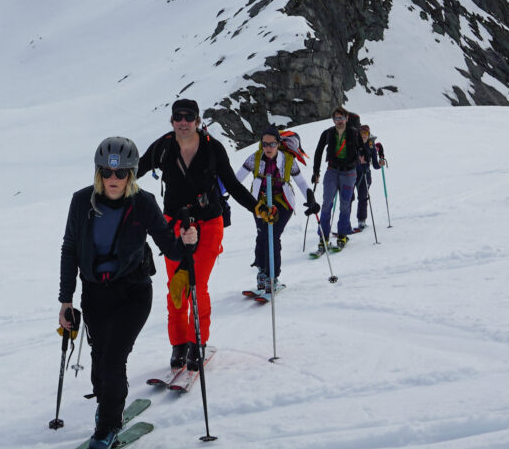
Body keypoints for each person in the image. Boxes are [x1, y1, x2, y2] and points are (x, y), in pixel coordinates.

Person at [58, 136, 198, 449]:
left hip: (133, 293)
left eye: (121, 174)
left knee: (113, 359)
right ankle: (106, 404)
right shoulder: (81, 202)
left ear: (132, 174)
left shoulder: (144, 203)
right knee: (99, 361)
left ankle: (107, 425)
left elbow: (171, 247)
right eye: (107, 172)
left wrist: (188, 240)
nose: (113, 179)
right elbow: (69, 249)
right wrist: (67, 300)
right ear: (98, 172)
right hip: (95, 294)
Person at [136, 98, 260, 373]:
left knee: (196, 284)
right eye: (178, 117)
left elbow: (231, 183)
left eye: (188, 117)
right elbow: (133, 172)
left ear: (197, 120)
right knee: (175, 290)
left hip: (208, 223)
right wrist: (108, 186)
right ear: (172, 121)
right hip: (172, 226)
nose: (183, 122)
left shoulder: (212, 148)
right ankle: (179, 344)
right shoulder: (163, 147)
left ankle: (197, 342)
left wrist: (256, 208)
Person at [240, 128, 306, 295]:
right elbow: (236, 178)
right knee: (262, 234)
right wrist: (220, 193)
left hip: (283, 203)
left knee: (272, 235)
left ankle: (272, 277)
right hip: (259, 204)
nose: (268, 148)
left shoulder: (288, 160)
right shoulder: (254, 158)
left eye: (272, 144)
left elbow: (301, 182)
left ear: (278, 144)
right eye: (265, 144)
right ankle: (262, 272)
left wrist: (310, 199)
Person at [308, 106, 362, 251]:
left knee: (345, 205)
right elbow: (318, 151)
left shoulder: (354, 133)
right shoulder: (327, 133)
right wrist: (316, 171)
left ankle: (342, 234)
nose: (340, 121)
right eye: (337, 118)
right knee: (326, 204)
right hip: (332, 172)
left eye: (342, 118)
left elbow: (362, 148)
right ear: (333, 120)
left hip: (349, 173)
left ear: (347, 118)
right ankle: (323, 236)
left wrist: (364, 158)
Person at [354, 123, 384, 232]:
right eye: (362, 133)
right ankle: (345, 223)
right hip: (353, 174)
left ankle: (361, 221)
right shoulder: (355, 144)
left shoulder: (371, 146)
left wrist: (380, 164)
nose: (364, 135)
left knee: (362, 197)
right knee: (348, 198)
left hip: (365, 175)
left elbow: (375, 164)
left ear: (368, 133)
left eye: (366, 133)